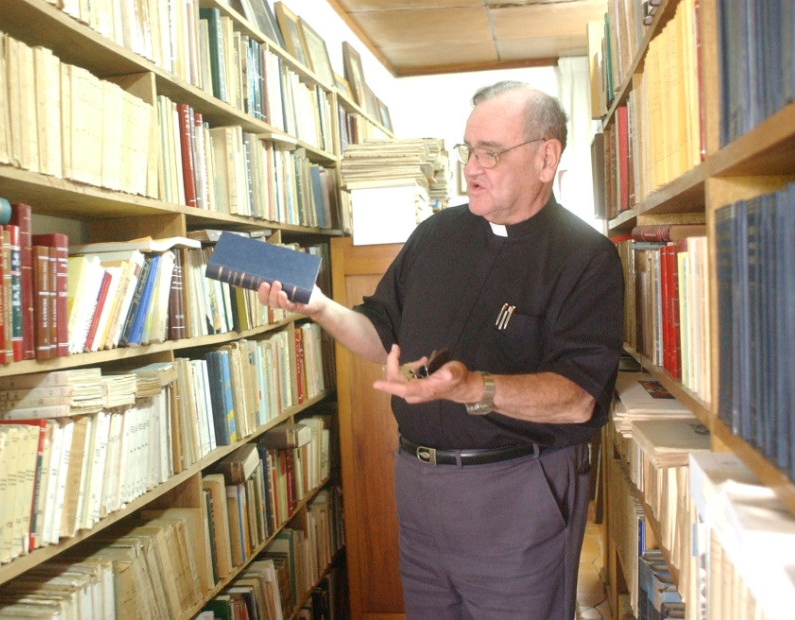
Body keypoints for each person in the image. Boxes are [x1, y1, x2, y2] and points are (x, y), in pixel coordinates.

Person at [257, 81, 624, 620]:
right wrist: (320, 307)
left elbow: (578, 400)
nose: (471, 168)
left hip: (518, 494)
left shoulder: (585, 256)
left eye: (491, 153)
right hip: (420, 490)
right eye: (467, 151)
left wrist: (475, 388)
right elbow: (382, 332)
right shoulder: (435, 235)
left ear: (546, 158)